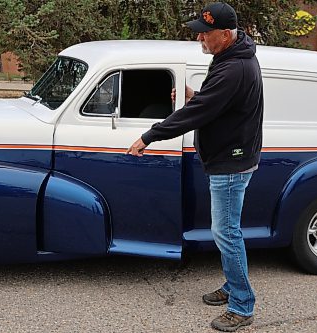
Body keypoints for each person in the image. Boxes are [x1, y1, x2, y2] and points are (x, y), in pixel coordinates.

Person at [126, 2, 264, 332]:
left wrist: (150, 135)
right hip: (230, 156)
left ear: (226, 35)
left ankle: (242, 305)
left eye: (205, 34)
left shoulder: (234, 68)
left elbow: (197, 113)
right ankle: (233, 286)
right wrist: (194, 94)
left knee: (227, 233)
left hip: (231, 162)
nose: (200, 39)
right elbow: (213, 102)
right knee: (228, 231)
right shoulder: (231, 56)